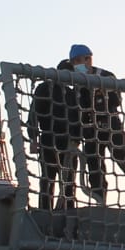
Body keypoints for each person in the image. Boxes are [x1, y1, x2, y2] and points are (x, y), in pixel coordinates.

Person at [69, 45, 125, 208]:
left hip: (111, 126)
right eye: (74, 62)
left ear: (88, 59)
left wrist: (100, 92)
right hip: (91, 130)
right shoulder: (77, 82)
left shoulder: (105, 76)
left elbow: (116, 101)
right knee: (95, 166)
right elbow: (79, 109)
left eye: (79, 60)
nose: (77, 65)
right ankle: (101, 200)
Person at [27, 60, 80, 211]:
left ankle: (68, 213)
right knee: (48, 180)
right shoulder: (45, 89)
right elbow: (34, 114)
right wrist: (33, 139)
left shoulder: (72, 93)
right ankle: (46, 212)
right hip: (49, 138)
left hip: (69, 142)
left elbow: (78, 119)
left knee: (69, 184)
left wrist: (76, 141)